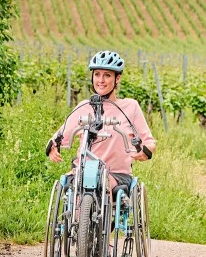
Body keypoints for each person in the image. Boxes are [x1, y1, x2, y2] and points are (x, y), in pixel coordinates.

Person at [47, 51, 155, 192]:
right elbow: (60, 135)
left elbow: (149, 142)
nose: (101, 80)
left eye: (107, 75)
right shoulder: (84, 107)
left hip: (117, 175)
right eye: (97, 74)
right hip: (83, 171)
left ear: (117, 79)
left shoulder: (130, 107)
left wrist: (145, 151)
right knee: (74, 187)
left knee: (103, 183)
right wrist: (53, 146)